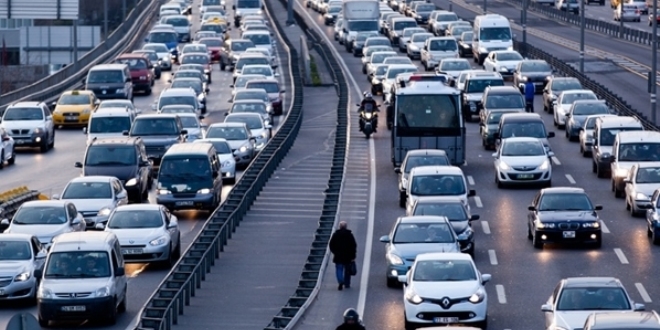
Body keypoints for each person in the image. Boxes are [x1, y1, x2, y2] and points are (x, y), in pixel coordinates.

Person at [329, 221, 358, 291]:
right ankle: (347, 283)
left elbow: (331, 245)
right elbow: (354, 246)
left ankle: (340, 281)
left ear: (340, 227)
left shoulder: (335, 235)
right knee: (347, 271)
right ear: (346, 227)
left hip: (338, 256)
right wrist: (353, 256)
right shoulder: (350, 235)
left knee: (339, 269)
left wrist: (335, 252)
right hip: (348, 257)